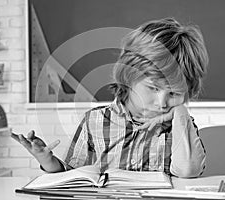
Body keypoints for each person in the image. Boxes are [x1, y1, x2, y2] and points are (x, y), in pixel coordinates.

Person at [12, 17, 209, 178]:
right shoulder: (95, 121)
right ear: (128, 77)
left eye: (174, 94)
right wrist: (47, 161)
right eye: (153, 88)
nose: (162, 103)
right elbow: (71, 177)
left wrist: (181, 111)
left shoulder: (180, 124)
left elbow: (188, 172)